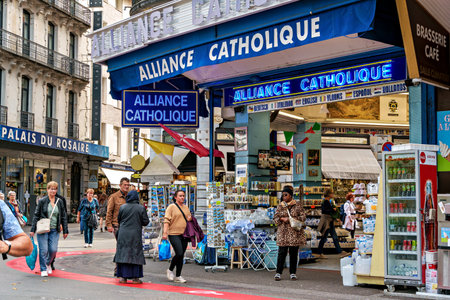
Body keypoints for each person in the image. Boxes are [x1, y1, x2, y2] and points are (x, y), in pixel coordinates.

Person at [30, 181, 68, 277]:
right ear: (47, 189)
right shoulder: (42, 201)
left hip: (55, 229)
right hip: (43, 229)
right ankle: (43, 269)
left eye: (55, 189)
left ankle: (48, 263)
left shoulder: (59, 201)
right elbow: (36, 215)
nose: (53, 190)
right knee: (44, 250)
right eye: (51, 188)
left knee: (53, 250)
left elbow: (63, 216)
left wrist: (66, 230)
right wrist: (32, 229)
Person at [113, 190, 149, 284]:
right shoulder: (141, 208)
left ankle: (123, 277)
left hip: (123, 233)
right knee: (135, 254)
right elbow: (145, 221)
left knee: (123, 253)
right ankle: (135, 278)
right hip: (135, 234)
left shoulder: (122, 207)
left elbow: (119, 219)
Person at [273, 186, 306, 281]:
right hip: (283, 233)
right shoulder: (280, 206)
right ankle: (278, 272)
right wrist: (282, 219)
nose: (284, 197)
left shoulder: (298, 205)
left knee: (293, 253)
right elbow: (275, 218)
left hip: (294, 233)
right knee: (281, 253)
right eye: (283, 195)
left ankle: (293, 273)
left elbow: (303, 217)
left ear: (290, 195)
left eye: (286, 195)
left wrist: (292, 219)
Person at [163, 190, 192, 283]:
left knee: (181, 255)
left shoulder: (186, 207)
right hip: (173, 234)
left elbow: (189, 218)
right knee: (179, 253)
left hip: (184, 234)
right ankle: (170, 270)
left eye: (183, 196)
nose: (182, 197)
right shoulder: (171, 207)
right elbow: (166, 220)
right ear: (175, 197)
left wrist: (190, 219)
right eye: (180, 196)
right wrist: (165, 232)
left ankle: (178, 276)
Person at [317, 189, 349, 259]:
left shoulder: (328, 201)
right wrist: (333, 209)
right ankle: (319, 252)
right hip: (327, 222)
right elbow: (325, 211)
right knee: (324, 237)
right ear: (329, 194)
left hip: (329, 221)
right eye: (332, 193)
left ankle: (340, 251)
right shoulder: (325, 201)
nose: (333, 194)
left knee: (334, 237)